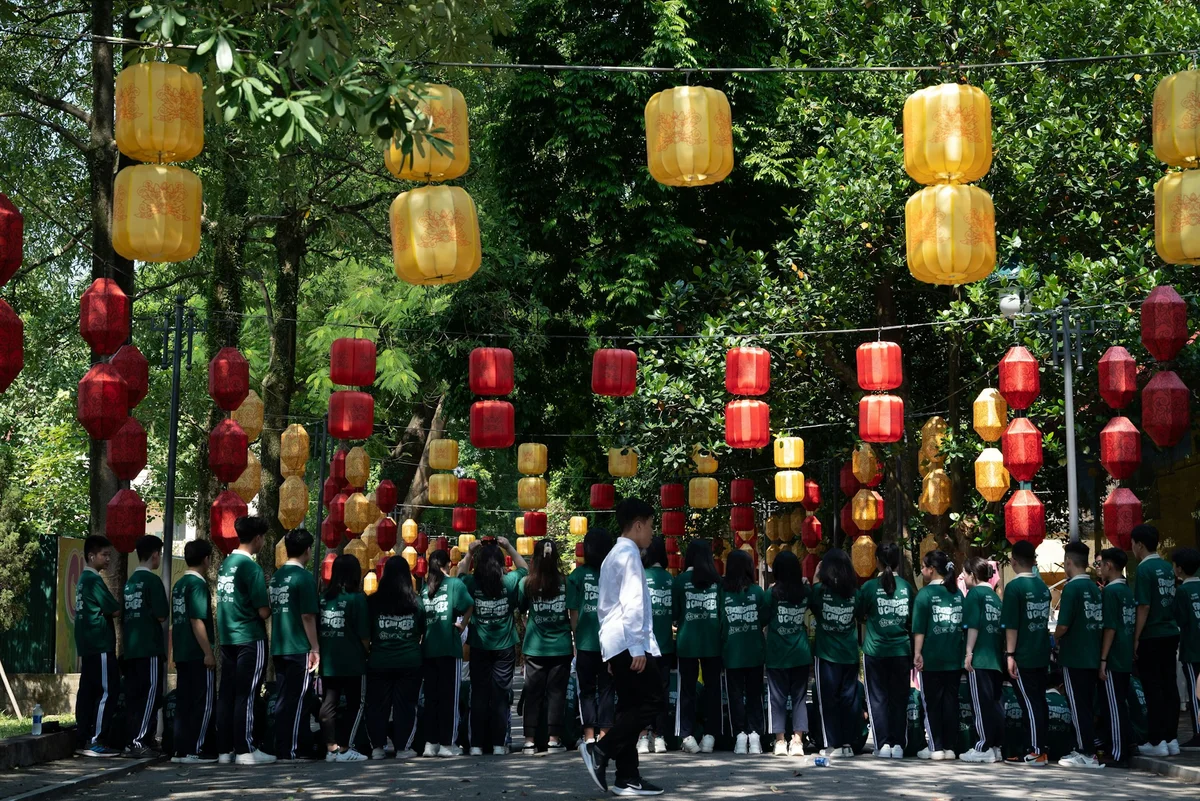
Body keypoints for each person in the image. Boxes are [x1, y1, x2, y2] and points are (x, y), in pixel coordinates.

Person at [580, 498, 664, 796]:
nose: (653, 533)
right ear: (638, 524)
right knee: (653, 701)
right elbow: (632, 603)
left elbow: (606, 608)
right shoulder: (627, 554)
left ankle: (627, 777)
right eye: (651, 526)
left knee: (630, 706)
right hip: (631, 643)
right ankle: (600, 751)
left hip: (617, 643)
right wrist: (637, 648)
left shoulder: (614, 555)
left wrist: (612, 651)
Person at [457, 536, 528, 755]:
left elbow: (459, 572)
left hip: (479, 645)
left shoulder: (471, 583)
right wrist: (508, 546)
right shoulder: (508, 582)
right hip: (505, 646)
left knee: (478, 694)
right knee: (500, 695)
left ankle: (477, 745)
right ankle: (499, 744)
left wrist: (470, 552)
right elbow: (525, 569)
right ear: (500, 562)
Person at [216, 516, 274, 765]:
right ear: (258, 538)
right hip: (250, 636)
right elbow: (263, 611)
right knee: (247, 694)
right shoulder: (252, 568)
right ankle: (246, 749)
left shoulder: (226, 563)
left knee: (227, 694)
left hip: (227, 637)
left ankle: (225, 749)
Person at [856, 541, 913, 760]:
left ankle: (883, 744)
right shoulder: (907, 588)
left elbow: (860, 613)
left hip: (875, 652)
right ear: (898, 561)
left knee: (877, 699)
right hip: (901, 652)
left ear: (877, 561)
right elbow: (910, 620)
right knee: (899, 698)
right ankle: (898, 744)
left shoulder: (869, 588)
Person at [367, 554, 426, 760]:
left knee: (377, 705)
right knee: (406, 706)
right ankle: (403, 748)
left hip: (379, 661)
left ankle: (377, 748)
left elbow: (367, 632)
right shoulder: (416, 602)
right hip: (409, 661)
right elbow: (422, 629)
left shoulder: (373, 602)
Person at [268, 529, 320, 761]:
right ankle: (294, 749)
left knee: (283, 699)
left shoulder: (276, 577)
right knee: (299, 699)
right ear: (307, 550)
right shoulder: (305, 578)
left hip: (279, 646)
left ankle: (282, 745)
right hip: (299, 647)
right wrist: (315, 648)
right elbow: (308, 616)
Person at [518, 538, 572, 754]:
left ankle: (529, 741)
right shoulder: (564, 582)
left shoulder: (527, 583)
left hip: (534, 647)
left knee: (533, 693)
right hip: (560, 646)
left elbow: (521, 607)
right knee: (556, 694)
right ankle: (553, 740)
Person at [1131, 524, 1181, 757]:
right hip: (1170, 633)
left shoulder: (1143, 570)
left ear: (1139, 545)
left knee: (1153, 688)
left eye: (1132, 544)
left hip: (1151, 634)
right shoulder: (1167, 568)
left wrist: (1136, 638)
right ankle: (1171, 738)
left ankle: (1156, 740)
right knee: (1169, 685)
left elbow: (1143, 606)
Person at [1001, 539, 1051, 766]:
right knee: (1039, 701)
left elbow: (1011, 625)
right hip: (1041, 653)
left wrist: (1010, 655)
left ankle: (1037, 750)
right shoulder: (1042, 587)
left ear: (1013, 561)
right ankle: (1038, 747)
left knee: (1030, 704)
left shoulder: (1014, 588)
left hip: (1023, 655)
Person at [1054, 540, 1104, 768]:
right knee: (1086, 704)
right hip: (1092, 655)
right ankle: (1087, 746)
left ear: (1068, 562)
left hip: (1074, 656)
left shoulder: (1072, 588)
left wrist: (1054, 637)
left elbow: (1063, 625)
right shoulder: (1094, 587)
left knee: (1077, 705)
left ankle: (1085, 751)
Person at [420, 548, 473, 757]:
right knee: (449, 697)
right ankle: (446, 744)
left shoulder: (425, 590)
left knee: (431, 697)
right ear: (448, 564)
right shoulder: (455, 585)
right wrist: (463, 625)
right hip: (449, 649)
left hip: (428, 649)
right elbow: (469, 605)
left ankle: (429, 743)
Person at [672, 538, 723, 754]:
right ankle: (710, 736)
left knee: (688, 690)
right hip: (713, 644)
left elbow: (674, 615)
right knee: (713, 690)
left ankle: (687, 735)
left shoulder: (681, 581)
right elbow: (722, 615)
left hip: (687, 644)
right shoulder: (718, 582)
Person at [912, 550, 964, 761]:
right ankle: (950, 747)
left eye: (923, 567)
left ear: (931, 570)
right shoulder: (957, 593)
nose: (922, 570)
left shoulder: (924, 595)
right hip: (954, 657)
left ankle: (936, 746)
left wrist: (917, 653)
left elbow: (919, 630)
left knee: (932, 703)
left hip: (932, 658)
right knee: (951, 702)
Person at [319, 553, 371, 762]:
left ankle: (331, 748)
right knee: (356, 704)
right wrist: (367, 653)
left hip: (329, 661)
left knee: (328, 703)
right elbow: (365, 636)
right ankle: (345, 748)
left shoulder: (323, 599)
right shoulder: (357, 599)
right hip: (353, 663)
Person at [121, 535, 169, 757]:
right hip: (149, 648)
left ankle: (133, 738)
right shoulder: (153, 581)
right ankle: (140, 741)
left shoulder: (130, 582)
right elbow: (161, 615)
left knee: (134, 695)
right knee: (150, 694)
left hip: (131, 649)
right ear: (155, 555)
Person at [74, 534, 121, 757]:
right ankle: (96, 741)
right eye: (104, 554)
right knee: (106, 691)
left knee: (87, 693)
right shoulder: (93, 580)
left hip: (87, 645)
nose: (108, 559)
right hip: (100, 644)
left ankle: (82, 737)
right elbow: (114, 608)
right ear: (91, 556)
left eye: (109, 555)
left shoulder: (83, 580)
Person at [171, 539, 217, 764]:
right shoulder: (198, 585)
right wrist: (208, 652)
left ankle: (181, 749)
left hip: (182, 652)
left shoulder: (179, 584)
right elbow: (196, 619)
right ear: (206, 559)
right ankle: (195, 749)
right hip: (197, 654)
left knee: (184, 703)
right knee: (203, 702)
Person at [810, 548, 859, 758]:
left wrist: (814, 578)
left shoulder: (820, 592)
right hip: (849, 653)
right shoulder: (855, 594)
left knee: (826, 699)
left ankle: (832, 744)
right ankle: (847, 743)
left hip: (827, 654)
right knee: (848, 699)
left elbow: (811, 602)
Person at [764, 549, 811, 757]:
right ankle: (798, 740)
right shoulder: (804, 592)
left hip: (777, 654)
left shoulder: (772, 594)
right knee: (799, 698)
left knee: (777, 698)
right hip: (800, 653)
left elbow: (762, 619)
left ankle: (780, 741)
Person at [570, 528, 614, 745]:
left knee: (586, 690)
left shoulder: (576, 576)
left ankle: (589, 735)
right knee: (607, 689)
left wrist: (577, 640)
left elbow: (574, 615)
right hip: (611, 644)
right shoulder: (614, 574)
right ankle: (605, 733)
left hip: (586, 643)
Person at [959, 556, 1004, 764]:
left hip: (981, 658)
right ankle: (994, 746)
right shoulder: (995, 597)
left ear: (973, 575)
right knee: (993, 704)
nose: (962, 576)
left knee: (980, 705)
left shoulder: (974, 594)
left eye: (964, 573)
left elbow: (973, 626)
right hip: (995, 658)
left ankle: (982, 745)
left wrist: (969, 653)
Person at [722, 549, 766, 756]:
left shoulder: (723, 593)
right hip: (755, 652)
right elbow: (764, 617)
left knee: (736, 696)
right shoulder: (757, 592)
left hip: (731, 653)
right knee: (755, 695)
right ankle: (755, 735)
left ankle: (739, 735)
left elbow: (720, 622)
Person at [1098, 547, 1136, 768]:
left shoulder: (1111, 592)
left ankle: (1118, 752)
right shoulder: (1127, 590)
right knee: (1119, 702)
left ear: (1109, 565)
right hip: (1125, 653)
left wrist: (1103, 659)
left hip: (1114, 657)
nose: (1099, 568)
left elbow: (1110, 627)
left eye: (1100, 564)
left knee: (1113, 705)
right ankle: (1126, 745)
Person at [638, 537, 674, 755]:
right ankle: (660, 737)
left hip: (643, 647)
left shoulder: (641, 578)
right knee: (662, 692)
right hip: (666, 646)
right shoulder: (670, 580)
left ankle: (642, 736)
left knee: (642, 692)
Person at [1172, 547, 1200, 749]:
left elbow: (1180, 620)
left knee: (1195, 691)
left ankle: (1198, 732)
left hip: (1192, 649)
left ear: (1179, 569)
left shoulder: (1182, 591)